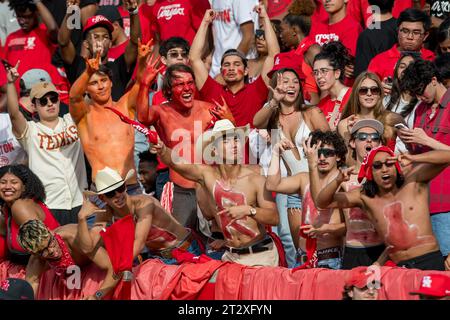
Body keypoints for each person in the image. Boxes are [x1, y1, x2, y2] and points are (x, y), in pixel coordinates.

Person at [153, 119, 280, 267]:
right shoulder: (207, 176)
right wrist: (162, 149)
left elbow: (274, 217)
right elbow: (177, 163)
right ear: (214, 150)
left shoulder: (255, 176)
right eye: (226, 141)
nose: (234, 145)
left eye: (236, 140)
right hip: (231, 257)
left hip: (261, 256)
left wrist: (249, 210)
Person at [316, 146, 450, 270]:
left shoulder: (414, 181)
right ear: (370, 173)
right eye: (377, 166)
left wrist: (414, 158)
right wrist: (337, 180)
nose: (384, 169)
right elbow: (322, 203)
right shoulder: (365, 197)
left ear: (396, 166)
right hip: (401, 267)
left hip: (429, 259)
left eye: (389, 163)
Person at [137, 62, 235, 229]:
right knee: (180, 243)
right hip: (180, 189)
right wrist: (145, 84)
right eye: (180, 84)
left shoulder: (209, 109)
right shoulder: (161, 112)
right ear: (168, 90)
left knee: (217, 240)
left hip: (209, 188)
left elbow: (233, 140)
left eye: (190, 83)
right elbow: (143, 117)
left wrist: (230, 120)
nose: (187, 88)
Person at [69, 39, 153, 197]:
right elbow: (74, 97)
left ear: (111, 83)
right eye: (94, 83)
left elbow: (141, 84)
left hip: (131, 187)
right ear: (87, 89)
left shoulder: (125, 106)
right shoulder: (84, 116)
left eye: (104, 81)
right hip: (102, 192)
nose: (100, 87)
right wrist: (87, 72)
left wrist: (141, 61)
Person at [6, 64, 87, 225]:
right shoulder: (31, 131)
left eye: (53, 98)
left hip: (81, 201)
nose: (50, 104)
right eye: (43, 101)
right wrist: (10, 84)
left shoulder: (73, 120)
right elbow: (14, 114)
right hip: (51, 204)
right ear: (34, 106)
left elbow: (81, 96)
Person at [77, 166, 202, 265]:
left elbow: (139, 243)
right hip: (157, 258)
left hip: (185, 250)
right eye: (110, 193)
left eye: (120, 188)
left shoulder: (143, 204)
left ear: (126, 187)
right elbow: (88, 248)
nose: (118, 195)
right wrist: (81, 218)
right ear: (102, 197)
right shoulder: (106, 213)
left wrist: (115, 268)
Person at [266, 131, 346, 269]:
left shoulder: (343, 182)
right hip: (302, 259)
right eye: (317, 152)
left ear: (338, 156)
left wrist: (327, 229)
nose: (321, 157)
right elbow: (272, 184)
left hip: (330, 259)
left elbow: (350, 227)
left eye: (327, 153)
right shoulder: (304, 179)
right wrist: (275, 153)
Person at [190, 6, 276, 127]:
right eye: (226, 65)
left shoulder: (256, 90)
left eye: (236, 64)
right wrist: (205, 23)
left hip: (251, 146)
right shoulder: (212, 90)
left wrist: (265, 18)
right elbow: (194, 58)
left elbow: (273, 56)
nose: (231, 68)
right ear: (221, 71)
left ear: (246, 71)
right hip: (219, 145)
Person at [399, 59, 450, 264]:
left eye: (421, 90)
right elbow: (421, 152)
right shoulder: (420, 109)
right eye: (415, 94)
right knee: (432, 267)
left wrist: (426, 140)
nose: (420, 97)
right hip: (423, 202)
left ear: (434, 80)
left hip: (446, 202)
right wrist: (410, 143)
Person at [58, 0, 140, 101]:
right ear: (86, 44)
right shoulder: (78, 66)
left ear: (110, 43)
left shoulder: (118, 67)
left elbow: (135, 42)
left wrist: (133, 12)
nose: (100, 41)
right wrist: (71, 11)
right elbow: (63, 42)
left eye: (105, 37)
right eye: (96, 37)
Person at [18, 219, 118, 300]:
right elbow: (28, 292)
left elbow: (115, 268)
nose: (52, 251)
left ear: (50, 231)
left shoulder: (74, 238)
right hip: (74, 276)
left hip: (106, 265)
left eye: (51, 243)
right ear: (33, 253)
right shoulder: (36, 261)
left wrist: (97, 296)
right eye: (43, 251)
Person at [4, 0, 70, 104]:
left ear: (36, 14)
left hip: (43, 99)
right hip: (19, 102)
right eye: (19, 16)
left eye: (27, 16)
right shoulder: (11, 38)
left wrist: (37, 2)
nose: (22, 21)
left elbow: (53, 28)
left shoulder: (44, 33)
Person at [342, 119, 386, 269]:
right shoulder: (343, 177)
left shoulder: (386, 176)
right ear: (353, 143)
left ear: (379, 144)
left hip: (380, 249)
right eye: (362, 137)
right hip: (352, 250)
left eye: (375, 137)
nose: (369, 140)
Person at [338, 72, 405, 161]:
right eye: (363, 90)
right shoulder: (345, 124)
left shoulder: (393, 119)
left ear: (379, 94)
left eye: (374, 90)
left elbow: (411, 151)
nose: (369, 94)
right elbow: (350, 162)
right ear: (356, 94)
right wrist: (351, 136)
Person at [0, 165, 59, 265]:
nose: (7, 186)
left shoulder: (20, 207)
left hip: (44, 271)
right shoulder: (7, 208)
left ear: (24, 187)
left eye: (14, 182)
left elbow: (45, 250)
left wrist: (30, 280)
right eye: (2, 183)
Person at [368, 8, 435, 84]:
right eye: (405, 31)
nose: (410, 37)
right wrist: (380, 89)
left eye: (416, 33)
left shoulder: (431, 59)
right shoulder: (379, 61)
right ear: (398, 31)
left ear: (425, 35)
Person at [209, 0, 258, 78]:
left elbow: (249, 36)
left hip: (234, 71)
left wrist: (227, 71)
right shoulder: (215, 1)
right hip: (217, 68)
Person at [313, 41, 352, 130]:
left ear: (337, 73)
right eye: (315, 72)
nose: (319, 77)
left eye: (324, 71)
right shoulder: (322, 104)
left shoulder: (353, 95)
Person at [354, 0, 398, 77]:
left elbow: (362, 75)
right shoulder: (404, 29)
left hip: (378, 86)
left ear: (370, 5)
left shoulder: (366, 36)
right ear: (393, 3)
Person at [383, 53, 420, 130]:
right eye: (402, 66)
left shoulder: (422, 102)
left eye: (410, 67)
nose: (405, 70)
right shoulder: (386, 99)